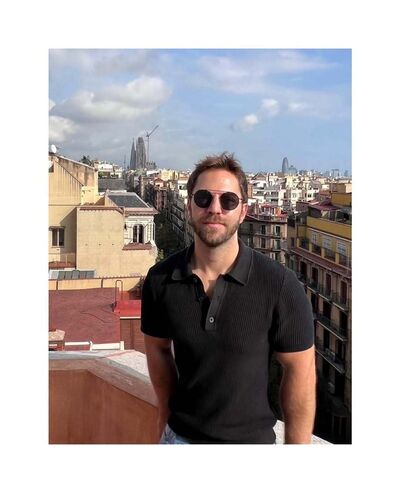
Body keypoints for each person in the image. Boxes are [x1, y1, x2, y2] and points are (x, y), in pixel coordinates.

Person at [141, 152, 316, 444]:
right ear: (189, 206)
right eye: (203, 199)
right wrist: (166, 416)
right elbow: (157, 350)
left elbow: (301, 369)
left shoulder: (280, 285)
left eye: (228, 201)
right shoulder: (160, 279)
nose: (215, 209)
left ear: (243, 211)